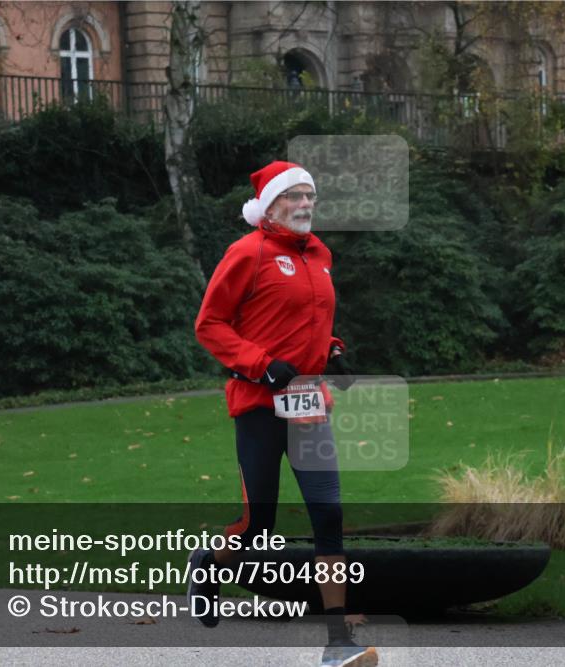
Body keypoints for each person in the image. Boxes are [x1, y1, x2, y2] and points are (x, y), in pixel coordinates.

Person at [189, 161, 377, 667]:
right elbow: (210, 325)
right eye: (293, 196)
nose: (305, 204)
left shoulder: (319, 255)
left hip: (310, 401)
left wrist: (333, 350)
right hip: (258, 403)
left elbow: (308, 319)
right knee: (259, 528)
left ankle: (338, 643)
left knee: (329, 516)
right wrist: (262, 364)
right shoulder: (246, 253)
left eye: (309, 195)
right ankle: (209, 565)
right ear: (269, 206)